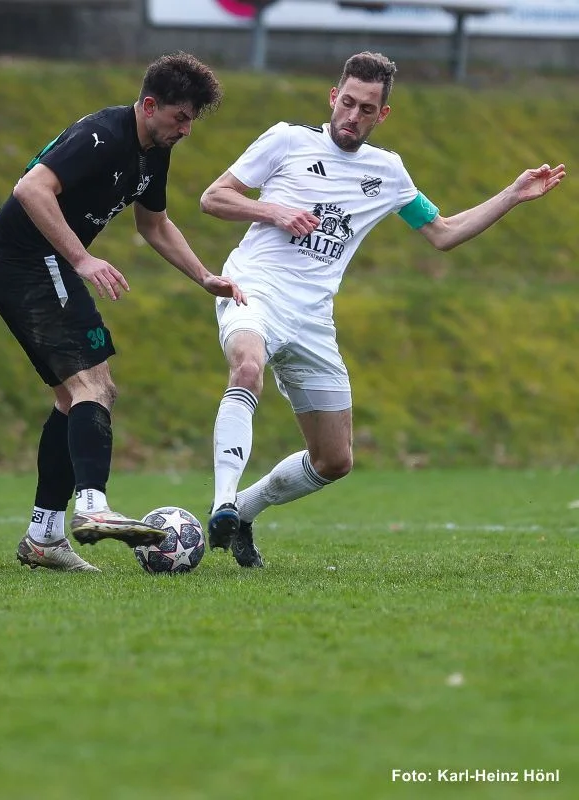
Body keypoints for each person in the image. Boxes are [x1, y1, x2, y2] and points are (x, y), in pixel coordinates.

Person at [199, 52, 565, 568]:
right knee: (247, 366)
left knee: (334, 460)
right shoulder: (287, 140)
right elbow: (214, 197)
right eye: (347, 102)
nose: (352, 116)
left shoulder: (387, 172)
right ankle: (220, 502)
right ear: (333, 97)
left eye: (366, 109)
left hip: (312, 318)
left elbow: (443, 233)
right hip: (253, 288)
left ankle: (242, 511)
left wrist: (512, 194)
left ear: (382, 114)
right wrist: (272, 209)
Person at [0, 52, 245, 573]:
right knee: (94, 386)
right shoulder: (102, 135)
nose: (186, 130)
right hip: (25, 261)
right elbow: (31, 187)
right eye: (180, 117)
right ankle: (93, 506)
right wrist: (82, 258)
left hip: (39, 264)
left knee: (72, 398)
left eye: (192, 120)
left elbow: (154, 225)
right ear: (149, 105)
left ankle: (43, 536)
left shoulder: (154, 152)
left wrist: (204, 276)